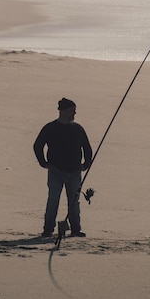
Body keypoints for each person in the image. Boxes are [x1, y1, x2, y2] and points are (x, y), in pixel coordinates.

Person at [34, 97, 93, 238]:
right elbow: (37, 146)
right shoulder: (50, 128)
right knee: (53, 200)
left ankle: (75, 229)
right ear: (64, 111)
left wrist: (86, 164)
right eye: (72, 111)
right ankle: (48, 229)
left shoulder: (78, 129)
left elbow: (87, 148)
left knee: (74, 201)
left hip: (74, 171)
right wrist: (44, 163)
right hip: (56, 171)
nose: (74, 114)